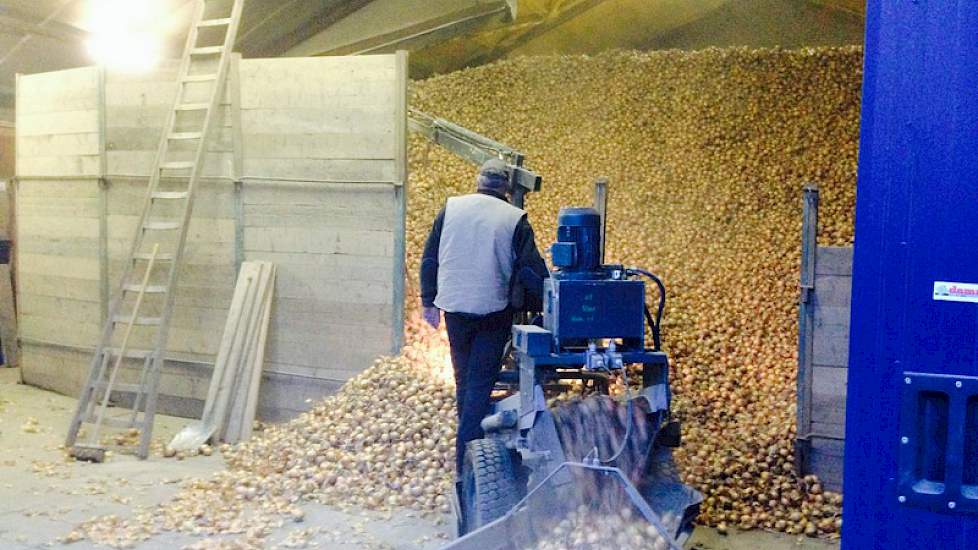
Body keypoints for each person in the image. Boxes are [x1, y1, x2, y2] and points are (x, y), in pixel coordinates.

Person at [420, 158, 548, 474]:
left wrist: (428, 301)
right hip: (493, 313)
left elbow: (429, 258)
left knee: (464, 381)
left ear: (478, 182)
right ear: (505, 188)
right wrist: (545, 303)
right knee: (479, 386)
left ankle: (467, 453)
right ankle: (469, 466)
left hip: (455, 308)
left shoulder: (450, 208)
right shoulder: (514, 218)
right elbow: (531, 271)